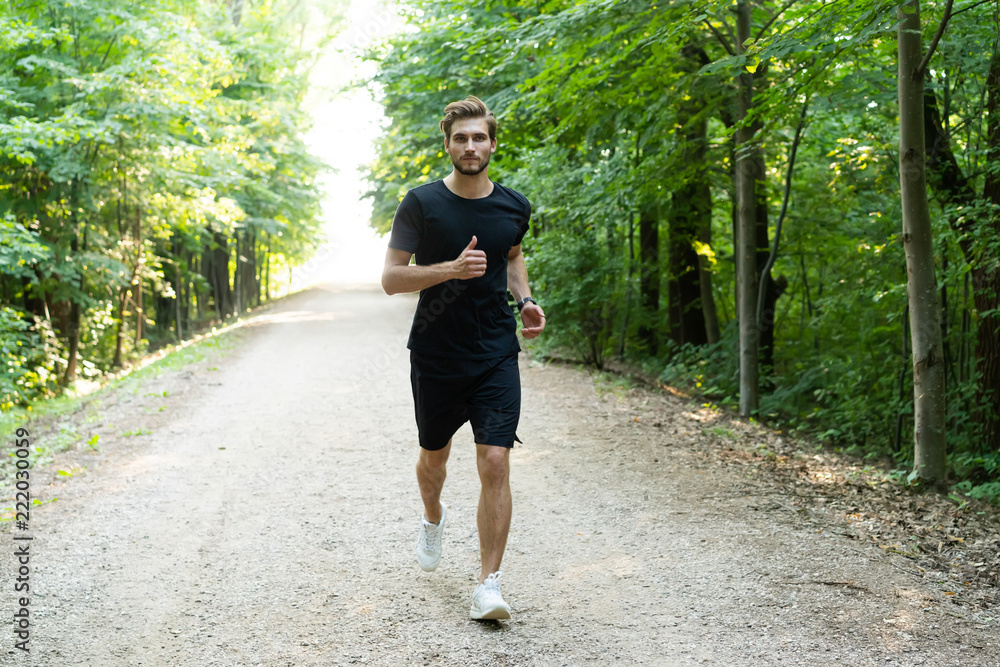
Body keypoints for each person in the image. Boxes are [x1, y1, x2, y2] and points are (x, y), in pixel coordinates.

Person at [381, 95, 546, 620]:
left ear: (492, 144)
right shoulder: (421, 203)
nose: (470, 146)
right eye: (461, 138)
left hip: (495, 351)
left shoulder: (514, 206)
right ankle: (433, 516)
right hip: (436, 353)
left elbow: (512, 255)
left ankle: (488, 585)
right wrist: (449, 270)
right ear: (448, 146)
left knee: (495, 460)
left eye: (479, 137)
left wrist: (525, 300)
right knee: (434, 458)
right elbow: (391, 279)